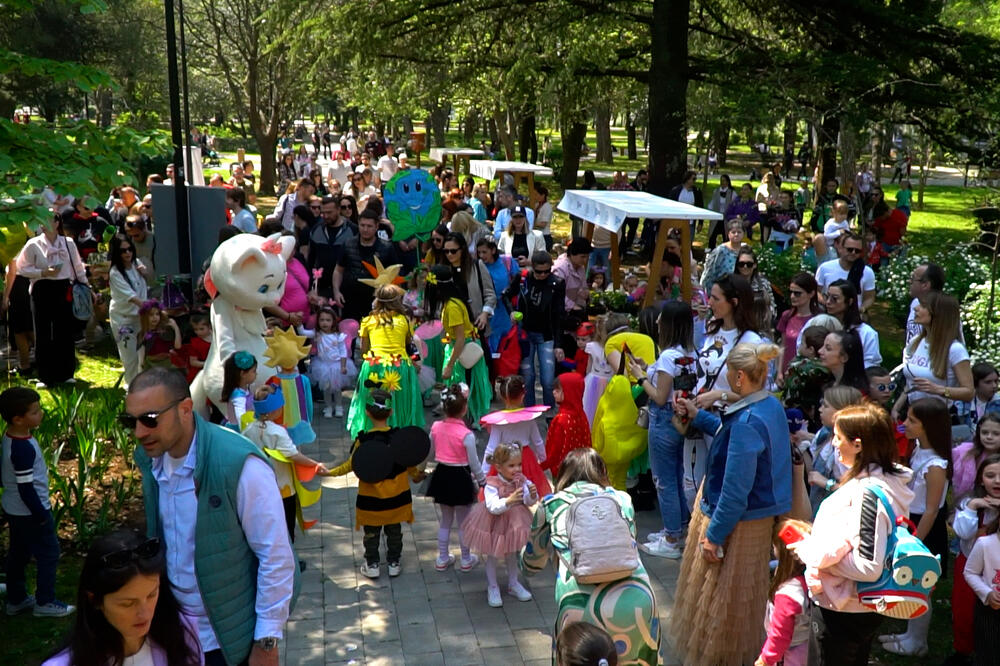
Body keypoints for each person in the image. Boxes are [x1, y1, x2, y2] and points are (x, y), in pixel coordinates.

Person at [127, 367, 298, 665]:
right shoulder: (151, 460)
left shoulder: (239, 464)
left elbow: (276, 556)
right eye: (131, 421)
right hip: (172, 636)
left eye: (150, 420)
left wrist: (267, 642)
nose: (139, 432)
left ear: (184, 409)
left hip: (228, 643)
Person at [670, 342, 792, 665]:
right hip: (758, 517)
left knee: (723, 609)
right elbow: (729, 431)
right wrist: (699, 417)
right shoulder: (768, 407)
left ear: (739, 377)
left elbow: (736, 492)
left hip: (737, 522)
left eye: (728, 376)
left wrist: (713, 536)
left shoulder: (748, 422)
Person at [787, 403, 913, 665]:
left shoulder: (869, 493)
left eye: (838, 437)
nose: (833, 443)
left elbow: (868, 567)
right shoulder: (886, 482)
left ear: (857, 445)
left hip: (846, 610)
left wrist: (811, 552)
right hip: (853, 606)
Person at [523, 447, 659, 663]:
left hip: (579, 605)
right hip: (637, 598)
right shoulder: (622, 499)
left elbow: (531, 563)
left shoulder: (551, 504)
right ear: (602, 473)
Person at [42, 529, 202, 666]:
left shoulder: (183, 633)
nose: (144, 613)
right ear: (94, 600)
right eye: (127, 604)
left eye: (152, 595)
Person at [878, 398, 950, 656]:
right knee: (910, 582)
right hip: (913, 523)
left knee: (921, 584)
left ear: (929, 426)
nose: (904, 424)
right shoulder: (919, 449)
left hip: (925, 528)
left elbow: (932, 508)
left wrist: (916, 541)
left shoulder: (936, 465)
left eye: (912, 421)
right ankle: (909, 634)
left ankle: (918, 642)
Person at [330, 389, 421, 580]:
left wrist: (329, 472)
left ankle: (372, 565)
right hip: (397, 499)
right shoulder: (399, 438)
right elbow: (409, 463)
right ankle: (394, 563)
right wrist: (417, 475)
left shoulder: (363, 440)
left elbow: (351, 465)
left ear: (367, 412)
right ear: (391, 412)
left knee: (371, 534)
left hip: (371, 501)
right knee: (394, 532)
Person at [630, 301, 697, 559]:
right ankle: (678, 529)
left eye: (660, 319)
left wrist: (640, 376)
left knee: (664, 481)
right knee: (677, 477)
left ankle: (671, 538)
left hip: (662, 419)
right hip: (679, 420)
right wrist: (649, 367)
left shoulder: (669, 356)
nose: (656, 323)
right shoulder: (688, 353)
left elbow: (659, 396)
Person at [2, 387, 76, 617]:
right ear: (18, 419)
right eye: (35, 412)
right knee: (49, 553)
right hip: (30, 512)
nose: (41, 413)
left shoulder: (11, 436)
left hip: (15, 510)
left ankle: (17, 598)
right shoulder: (22, 449)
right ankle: (45, 602)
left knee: (19, 553)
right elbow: (26, 488)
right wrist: (41, 515)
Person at [241, 385, 329, 543]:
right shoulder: (277, 432)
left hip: (259, 487)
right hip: (283, 487)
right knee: (286, 526)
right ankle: (289, 562)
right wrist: (315, 465)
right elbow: (294, 455)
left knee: (266, 526)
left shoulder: (248, 430)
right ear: (274, 410)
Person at [15, 212, 89, 386]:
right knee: (43, 332)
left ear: (57, 223)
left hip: (63, 286)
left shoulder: (68, 243)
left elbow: (77, 267)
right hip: (42, 288)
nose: (45, 224)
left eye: (49, 220)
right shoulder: (33, 244)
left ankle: (66, 372)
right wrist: (42, 272)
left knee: (64, 329)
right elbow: (21, 268)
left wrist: (86, 287)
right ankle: (45, 375)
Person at [462, 441, 538, 607]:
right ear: (499, 466)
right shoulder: (492, 484)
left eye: (519, 464)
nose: (517, 469)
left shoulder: (522, 481)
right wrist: (508, 501)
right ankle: (493, 586)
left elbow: (528, 501)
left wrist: (532, 495)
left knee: (512, 552)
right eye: (511, 465)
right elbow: (492, 506)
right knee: (493, 555)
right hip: (495, 522)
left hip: (516, 521)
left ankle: (513, 583)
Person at [347, 284, 425, 437]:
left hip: (374, 365)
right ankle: (399, 433)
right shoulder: (403, 319)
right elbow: (407, 343)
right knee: (399, 401)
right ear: (397, 301)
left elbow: (364, 350)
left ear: (377, 300)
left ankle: (373, 433)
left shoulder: (368, 320)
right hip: (400, 366)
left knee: (374, 400)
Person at [427, 385, 486, 573]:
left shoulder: (436, 427)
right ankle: (466, 559)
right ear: (465, 408)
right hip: (461, 478)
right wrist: (482, 481)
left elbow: (430, 452)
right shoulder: (467, 435)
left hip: (442, 475)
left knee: (445, 520)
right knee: (463, 522)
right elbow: (474, 463)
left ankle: (442, 557)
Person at [425, 265, 492, 425]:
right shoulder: (452, 301)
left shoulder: (452, 307)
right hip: (461, 349)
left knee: (463, 390)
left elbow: (460, 339)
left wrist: (449, 365)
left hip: (463, 353)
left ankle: (464, 425)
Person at [952, 453, 1000, 665]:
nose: (997, 481)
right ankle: (963, 651)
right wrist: (973, 507)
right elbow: (962, 532)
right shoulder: (970, 503)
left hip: (995, 569)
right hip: (968, 563)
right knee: (964, 612)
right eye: (990, 475)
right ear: (981, 479)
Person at [894, 291, 973, 418]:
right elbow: (912, 383)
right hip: (912, 414)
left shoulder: (955, 350)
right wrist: (897, 407)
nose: (916, 308)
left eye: (923, 306)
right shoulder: (916, 341)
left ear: (938, 314)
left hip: (939, 417)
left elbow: (969, 392)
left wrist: (938, 389)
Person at [504, 251, 566, 408]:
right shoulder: (523, 278)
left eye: (547, 271)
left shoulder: (557, 283)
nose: (543, 275)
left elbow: (559, 315)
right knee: (528, 376)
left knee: (547, 379)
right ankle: (529, 409)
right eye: (539, 271)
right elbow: (505, 295)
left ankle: (550, 411)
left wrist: (559, 344)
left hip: (547, 335)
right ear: (532, 267)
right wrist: (511, 311)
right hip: (525, 333)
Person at [480, 375, 551, 497]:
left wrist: (483, 474)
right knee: (529, 494)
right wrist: (543, 461)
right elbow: (538, 442)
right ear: (523, 395)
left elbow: (491, 449)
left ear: (502, 396)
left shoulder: (499, 422)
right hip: (525, 460)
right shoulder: (529, 418)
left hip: (504, 459)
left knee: (504, 494)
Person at [756, 519, 814, 666]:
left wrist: (765, 659)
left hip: (790, 653)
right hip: (809, 645)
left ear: (780, 551)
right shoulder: (814, 578)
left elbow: (780, 635)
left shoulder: (788, 593)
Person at [804, 386, 866, 514]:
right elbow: (813, 473)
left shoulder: (848, 448)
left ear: (842, 412)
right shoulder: (824, 434)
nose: (820, 410)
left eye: (825, 406)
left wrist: (827, 483)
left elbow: (858, 493)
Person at [332, 209, 398, 323]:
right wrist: (336, 291)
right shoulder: (348, 244)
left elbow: (395, 276)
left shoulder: (387, 248)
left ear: (377, 226)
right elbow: (338, 270)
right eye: (362, 225)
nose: (365, 229)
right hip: (350, 301)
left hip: (375, 302)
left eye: (369, 226)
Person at [963, 482, 1000, 664]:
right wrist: (987, 593)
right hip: (989, 611)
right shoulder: (985, 544)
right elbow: (970, 572)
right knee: (988, 655)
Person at [108, 233, 150, 387]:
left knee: (143, 354)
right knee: (129, 356)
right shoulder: (115, 273)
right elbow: (132, 297)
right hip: (123, 319)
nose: (127, 253)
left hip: (140, 317)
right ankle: (131, 387)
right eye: (123, 251)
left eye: (129, 249)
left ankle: (143, 385)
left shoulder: (136, 264)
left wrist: (144, 273)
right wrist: (150, 308)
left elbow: (145, 286)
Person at [302, 307, 356, 418]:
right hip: (323, 366)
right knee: (326, 389)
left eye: (328, 320)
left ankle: (339, 407)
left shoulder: (338, 336)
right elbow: (303, 333)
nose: (324, 323)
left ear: (333, 322)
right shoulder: (317, 334)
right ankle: (328, 407)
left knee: (336, 389)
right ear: (318, 322)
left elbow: (343, 352)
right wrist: (298, 324)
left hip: (336, 366)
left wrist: (343, 366)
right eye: (322, 320)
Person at [815, 280, 882, 368]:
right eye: (827, 296)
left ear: (850, 301)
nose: (828, 302)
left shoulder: (866, 333)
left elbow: (870, 365)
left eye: (834, 299)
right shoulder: (818, 323)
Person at [542, 373, 591, 475]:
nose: (553, 392)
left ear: (569, 392)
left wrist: (542, 465)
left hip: (563, 471)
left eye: (558, 390)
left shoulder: (561, 420)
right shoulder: (582, 414)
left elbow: (555, 450)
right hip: (581, 468)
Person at [477, 237, 519, 354]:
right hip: (487, 312)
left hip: (506, 311)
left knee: (507, 348)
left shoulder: (507, 262)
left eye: (484, 252)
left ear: (493, 250)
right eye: (479, 252)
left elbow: (517, 284)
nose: (481, 255)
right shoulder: (477, 267)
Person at [815, 232, 876, 314]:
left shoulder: (867, 272)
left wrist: (862, 308)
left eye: (857, 251)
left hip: (854, 314)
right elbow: (816, 291)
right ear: (841, 249)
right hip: (829, 313)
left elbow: (870, 297)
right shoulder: (824, 268)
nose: (853, 253)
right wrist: (826, 303)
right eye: (850, 249)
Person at [776, 273, 820, 377]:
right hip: (786, 373)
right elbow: (783, 346)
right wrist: (779, 373)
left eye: (797, 293)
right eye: (790, 292)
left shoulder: (819, 319)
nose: (792, 296)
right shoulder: (787, 316)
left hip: (809, 374)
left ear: (811, 294)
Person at [954, 414, 1000, 503]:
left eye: (996, 434)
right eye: (984, 432)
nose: (989, 437)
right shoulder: (964, 452)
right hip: (968, 502)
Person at [700, 219, 745, 294]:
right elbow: (709, 273)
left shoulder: (746, 249)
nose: (736, 234)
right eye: (733, 232)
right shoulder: (720, 251)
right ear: (728, 233)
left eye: (739, 232)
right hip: (720, 290)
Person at [706, 175, 739, 249]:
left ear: (728, 182)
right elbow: (712, 203)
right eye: (721, 180)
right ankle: (711, 251)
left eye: (724, 180)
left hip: (726, 218)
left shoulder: (732, 193)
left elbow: (735, 206)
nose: (722, 182)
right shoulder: (716, 191)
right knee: (712, 236)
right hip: (716, 217)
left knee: (726, 236)